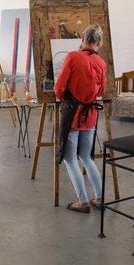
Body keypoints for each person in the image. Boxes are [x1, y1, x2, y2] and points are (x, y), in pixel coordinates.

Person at [54, 24, 106, 213]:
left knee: (70, 159)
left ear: (83, 39)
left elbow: (59, 89)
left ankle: (83, 201)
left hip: (73, 114)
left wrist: (64, 95)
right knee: (86, 156)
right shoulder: (101, 62)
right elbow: (101, 90)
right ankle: (100, 198)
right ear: (98, 43)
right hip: (91, 115)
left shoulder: (73, 57)